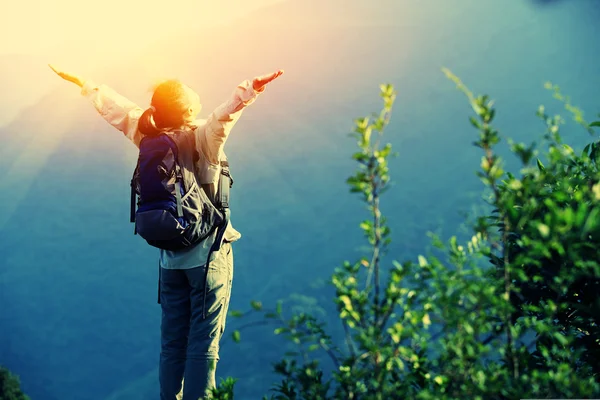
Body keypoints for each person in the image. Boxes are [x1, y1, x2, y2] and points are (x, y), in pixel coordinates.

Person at [49, 64, 284, 399]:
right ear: (188, 108)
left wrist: (87, 86)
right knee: (203, 342)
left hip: (169, 261)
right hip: (207, 259)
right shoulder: (204, 137)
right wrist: (250, 89)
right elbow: (224, 116)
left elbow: (122, 113)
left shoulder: (149, 136)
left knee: (172, 343)